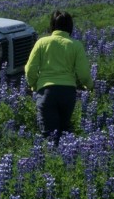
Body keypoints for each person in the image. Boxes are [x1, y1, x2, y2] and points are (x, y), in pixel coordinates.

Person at [25, 10, 93, 142]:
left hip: (46, 92)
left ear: (52, 25)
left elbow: (30, 70)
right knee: (64, 131)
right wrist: (89, 86)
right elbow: (84, 73)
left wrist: (33, 85)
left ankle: (52, 160)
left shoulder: (42, 42)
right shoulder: (76, 45)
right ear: (70, 26)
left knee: (49, 135)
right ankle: (66, 160)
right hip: (68, 94)